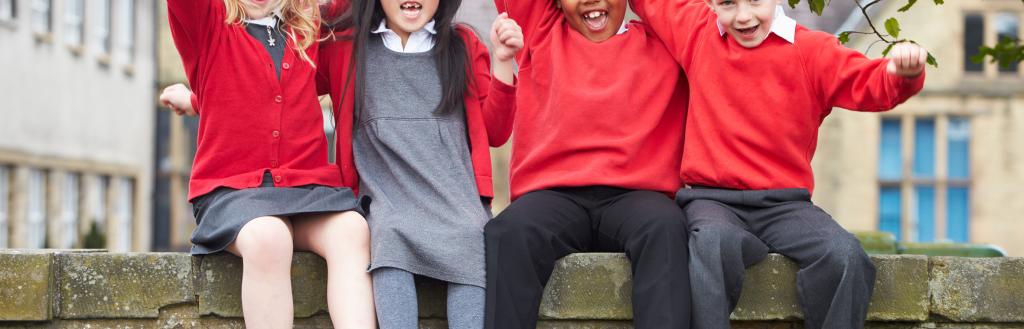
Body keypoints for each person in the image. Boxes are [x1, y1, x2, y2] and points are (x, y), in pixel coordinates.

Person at [626, 0, 928, 327]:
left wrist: (903, 74)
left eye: (755, 1)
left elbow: (869, 83)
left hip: (786, 205)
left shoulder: (812, 50)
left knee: (844, 256)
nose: (743, 16)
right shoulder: (696, 31)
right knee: (710, 244)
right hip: (713, 199)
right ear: (711, 3)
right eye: (727, 4)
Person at [161, 0, 375, 327]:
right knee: (269, 237)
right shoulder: (209, 21)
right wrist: (196, 98)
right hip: (232, 190)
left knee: (352, 230)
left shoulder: (308, 24)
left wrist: (194, 100)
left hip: (304, 188)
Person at [481, 0, 693, 327]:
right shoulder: (539, 31)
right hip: (554, 197)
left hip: (638, 198)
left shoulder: (667, 40)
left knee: (665, 228)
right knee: (508, 232)